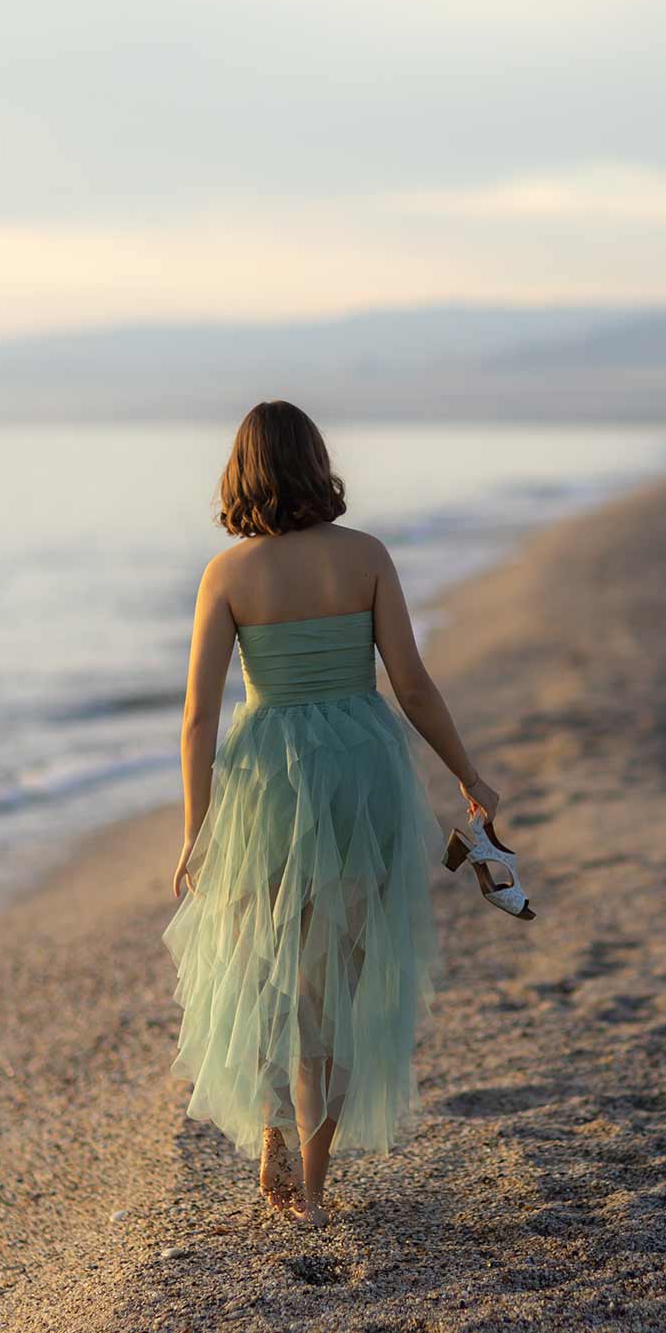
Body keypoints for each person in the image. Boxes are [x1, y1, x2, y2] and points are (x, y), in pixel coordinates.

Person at [161, 402, 499, 1230]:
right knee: (335, 987)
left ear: (241, 473)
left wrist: (196, 831)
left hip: (266, 783)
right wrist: (469, 776)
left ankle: (273, 1126)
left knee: (262, 966)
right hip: (360, 773)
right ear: (317, 463)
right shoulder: (366, 556)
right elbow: (411, 684)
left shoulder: (227, 573)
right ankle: (312, 1193)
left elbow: (199, 718)